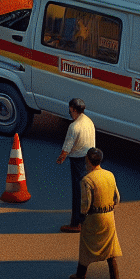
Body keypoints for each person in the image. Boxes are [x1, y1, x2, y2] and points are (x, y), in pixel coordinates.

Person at [68, 147, 121, 279]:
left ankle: (80, 276)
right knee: (111, 252)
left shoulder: (87, 180)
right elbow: (117, 197)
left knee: (86, 248)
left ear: (89, 161)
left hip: (94, 218)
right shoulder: (110, 175)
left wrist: (81, 217)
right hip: (109, 217)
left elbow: (86, 204)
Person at [57, 97, 95, 232]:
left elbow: (67, 147)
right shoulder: (88, 121)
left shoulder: (74, 127)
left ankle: (75, 223)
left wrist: (61, 158)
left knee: (77, 192)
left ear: (73, 109)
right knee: (87, 190)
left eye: (70, 109)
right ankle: (87, 219)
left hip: (78, 160)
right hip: (89, 159)